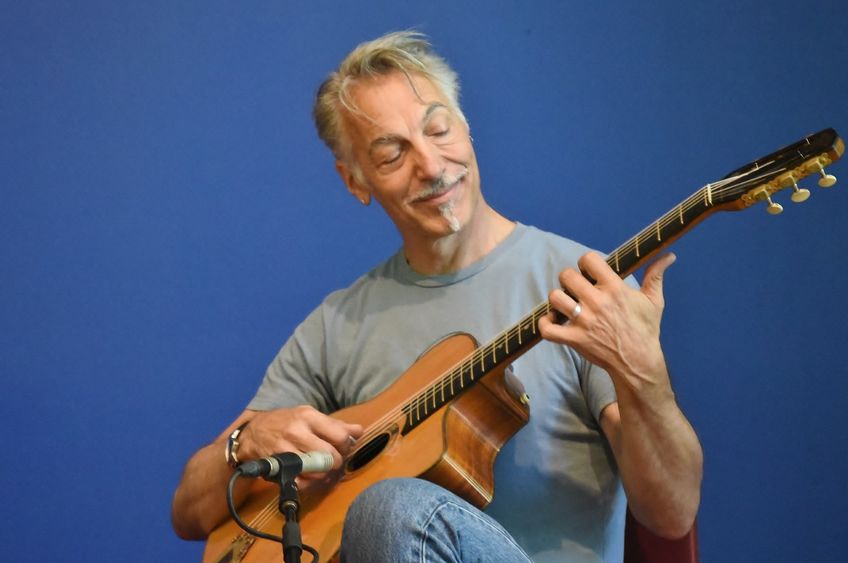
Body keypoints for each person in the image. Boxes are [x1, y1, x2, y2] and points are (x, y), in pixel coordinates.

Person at [171, 31, 703, 562]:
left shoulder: (586, 285)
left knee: (393, 508)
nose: (430, 165)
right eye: (392, 154)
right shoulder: (338, 326)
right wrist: (245, 443)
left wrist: (643, 375)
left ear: (467, 129)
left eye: (438, 129)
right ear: (355, 181)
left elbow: (672, 514)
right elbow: (190, 514)